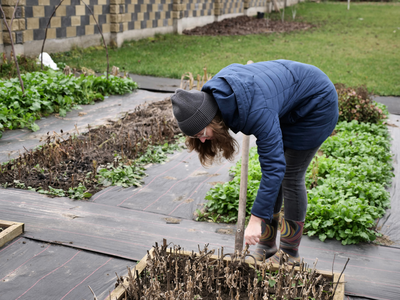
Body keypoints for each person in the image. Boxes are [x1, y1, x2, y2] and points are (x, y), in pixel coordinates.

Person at [170, 60, 339, 265]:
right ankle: (267, 244)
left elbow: (274, 168)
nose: (203, 140)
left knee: (290, 175)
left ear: (211, 120)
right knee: (275, 172)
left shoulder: (255, 109)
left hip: (316, 104)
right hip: (286, 104)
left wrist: (255, 220)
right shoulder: (217, 97)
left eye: (202, 133)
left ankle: (289, 253)